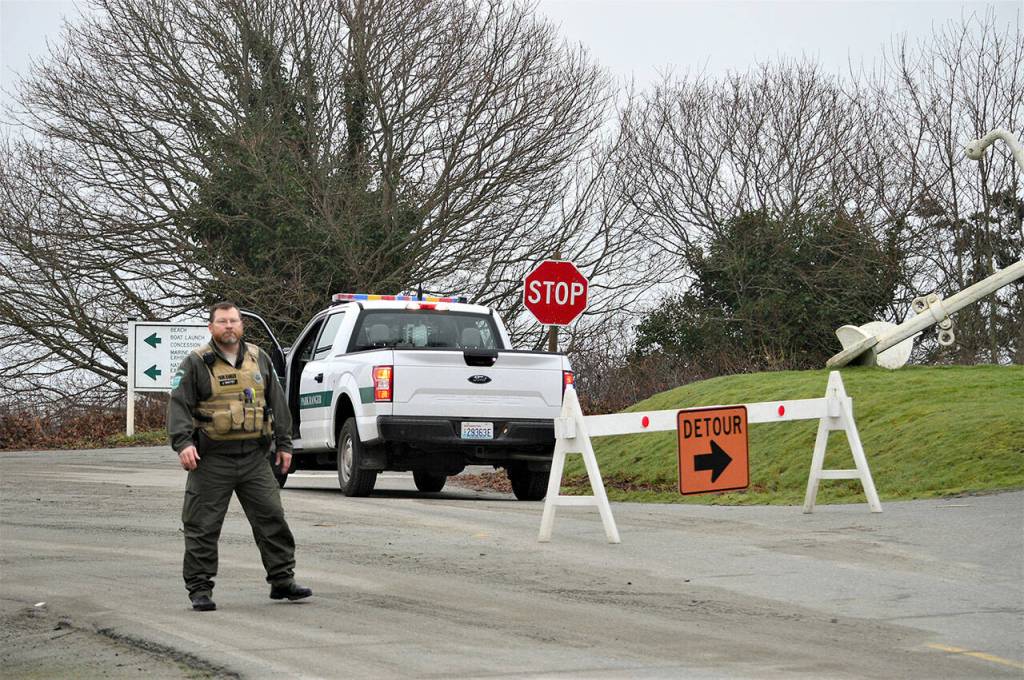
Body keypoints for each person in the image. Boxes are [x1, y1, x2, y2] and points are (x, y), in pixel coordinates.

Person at [167, 301, 311, 611]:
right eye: (222, 321)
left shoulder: (259, 359)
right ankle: (200, 589)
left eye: (234, 321)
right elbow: (178, 404)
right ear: (211, 327)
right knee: (202, 526)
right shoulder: (195, 363)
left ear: (241, 325)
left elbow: (277, 402)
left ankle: (282, 580)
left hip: (254, 459)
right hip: (211, 460)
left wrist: (284, 445)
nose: (229, 326)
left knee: (272, 518)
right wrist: (183, 444)